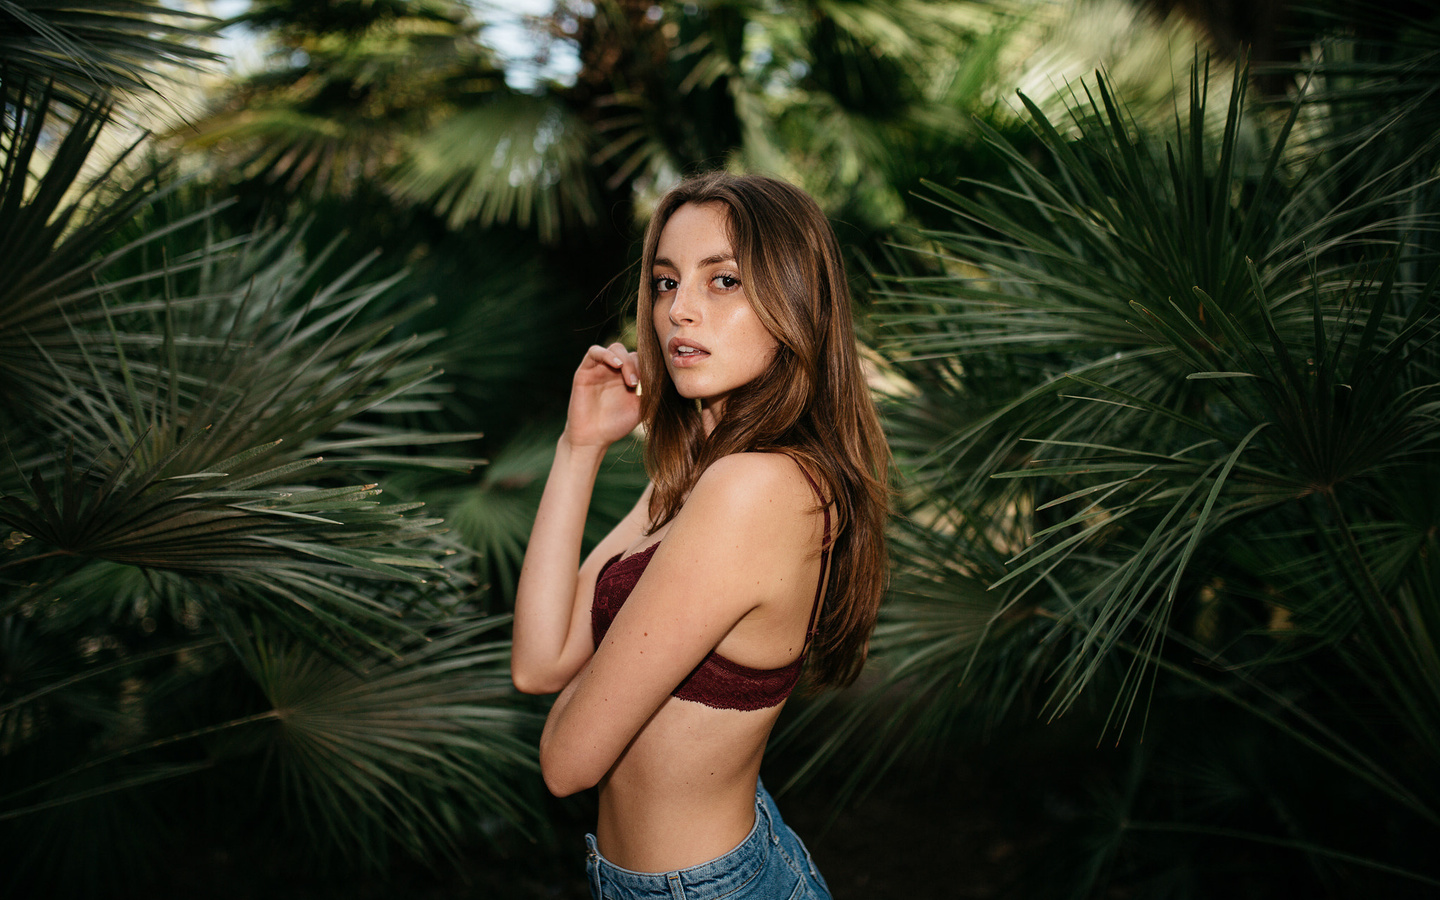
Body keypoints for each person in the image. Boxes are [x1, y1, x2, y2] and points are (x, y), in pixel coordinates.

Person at [511, 171, 889, 900]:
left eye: (724, 282)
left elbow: (567, 760)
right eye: (664, 282)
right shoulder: (705, 473)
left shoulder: (755, 490)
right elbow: (541, 661)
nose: (679, 310)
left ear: (795, 301)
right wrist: (579, 447)